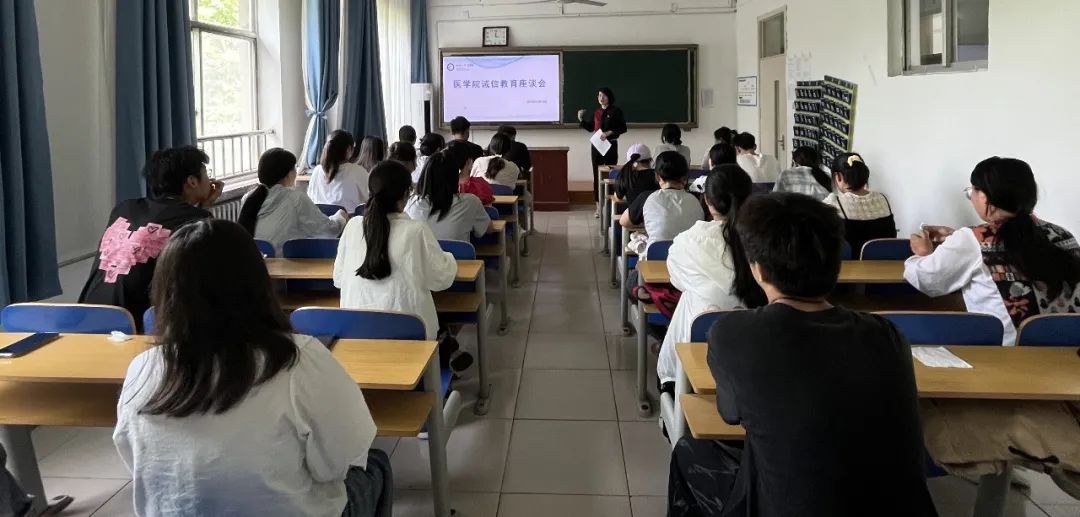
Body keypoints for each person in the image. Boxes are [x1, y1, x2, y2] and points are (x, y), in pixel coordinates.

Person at [667, 192, 936, 517]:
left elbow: (730, 413)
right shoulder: (887, 334)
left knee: (689, 450)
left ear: (758, 270)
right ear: (836, 265)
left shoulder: (733, 333)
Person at [114, 219, 391, 517]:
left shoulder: (142, 369)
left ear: (166, 290)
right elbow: (342, 458)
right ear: (257, 282)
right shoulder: (297, 360)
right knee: (375, 464)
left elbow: (133, 456)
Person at [905, 157, 1080, 345]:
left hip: (1009, 353)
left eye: (972, 190)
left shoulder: (971, 240)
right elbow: (1019, 245)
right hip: (1069, 349)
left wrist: (923, 253)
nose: (971, 197)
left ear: (986, 197)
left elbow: (927, 279)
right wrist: (955, 239)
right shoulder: (1063, 234)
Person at [336, 161, 470, 371]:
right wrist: (449, 259)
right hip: (409, 335)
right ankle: (445, 354)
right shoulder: (415, 231)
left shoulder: (352, 226)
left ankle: (447, 348)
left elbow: (338, 279)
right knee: (427, 309)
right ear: (407, 194)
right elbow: (441, 280)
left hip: (356, 331)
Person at [79, 146, 223, 331]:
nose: (210, 180)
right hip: (138, 323)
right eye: (206, 174)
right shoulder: (196, 220)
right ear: (192, 181)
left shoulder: (124, 209)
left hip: (85, 316)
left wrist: (201, 209)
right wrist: (204, 210)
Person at [656, 165, 765, 397]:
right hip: (760, 362)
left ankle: (672, 389)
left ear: (707, 200)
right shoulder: (767, 240)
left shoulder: (690, 241)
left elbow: (677, 280)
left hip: (701, 361)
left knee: (692, 296)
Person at [238, 148, 347, 256]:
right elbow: (328, 231)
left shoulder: (249, 198)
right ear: (289, 174)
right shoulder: (296, 199)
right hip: (285, 262)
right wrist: (340, 217)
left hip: (255, 261)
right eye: (295, 168)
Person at [406, 141, 494, 243]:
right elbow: (489, 229)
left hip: (422, 253)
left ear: (425, 175)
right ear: (454, 177)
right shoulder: (470, 201)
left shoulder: (411, 204)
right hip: (457, 254)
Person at [619, 151, 703, 254]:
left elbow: (623, 221)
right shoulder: (696, 200)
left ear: (657, 176)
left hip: (655, 259)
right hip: (689, 259)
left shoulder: (646, 198)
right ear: (685, 177)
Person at [822, 152, 896, 255]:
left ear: (838, 177)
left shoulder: (833, 202)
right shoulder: (883, 198)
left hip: (851, 264)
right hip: (885, 261)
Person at [577, 87, 627, 216]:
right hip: (596, 145)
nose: (601, 98)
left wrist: (608, 133)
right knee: (596, 174)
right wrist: (581, 119)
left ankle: (611, 206)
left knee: (610, 174)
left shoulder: (615, 111)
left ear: (609, 97)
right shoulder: (597, 112)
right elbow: (591, 128)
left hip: (610, 145)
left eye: (604, 95)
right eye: (599, 95)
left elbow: (622, 128)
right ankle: (598, 207)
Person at [307, 130, 369, 213]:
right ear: (349, 149)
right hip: (348, 220)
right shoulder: (358, 171)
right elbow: (369, 199)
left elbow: (310, 197)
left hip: (319, 219)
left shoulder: (317, 170)